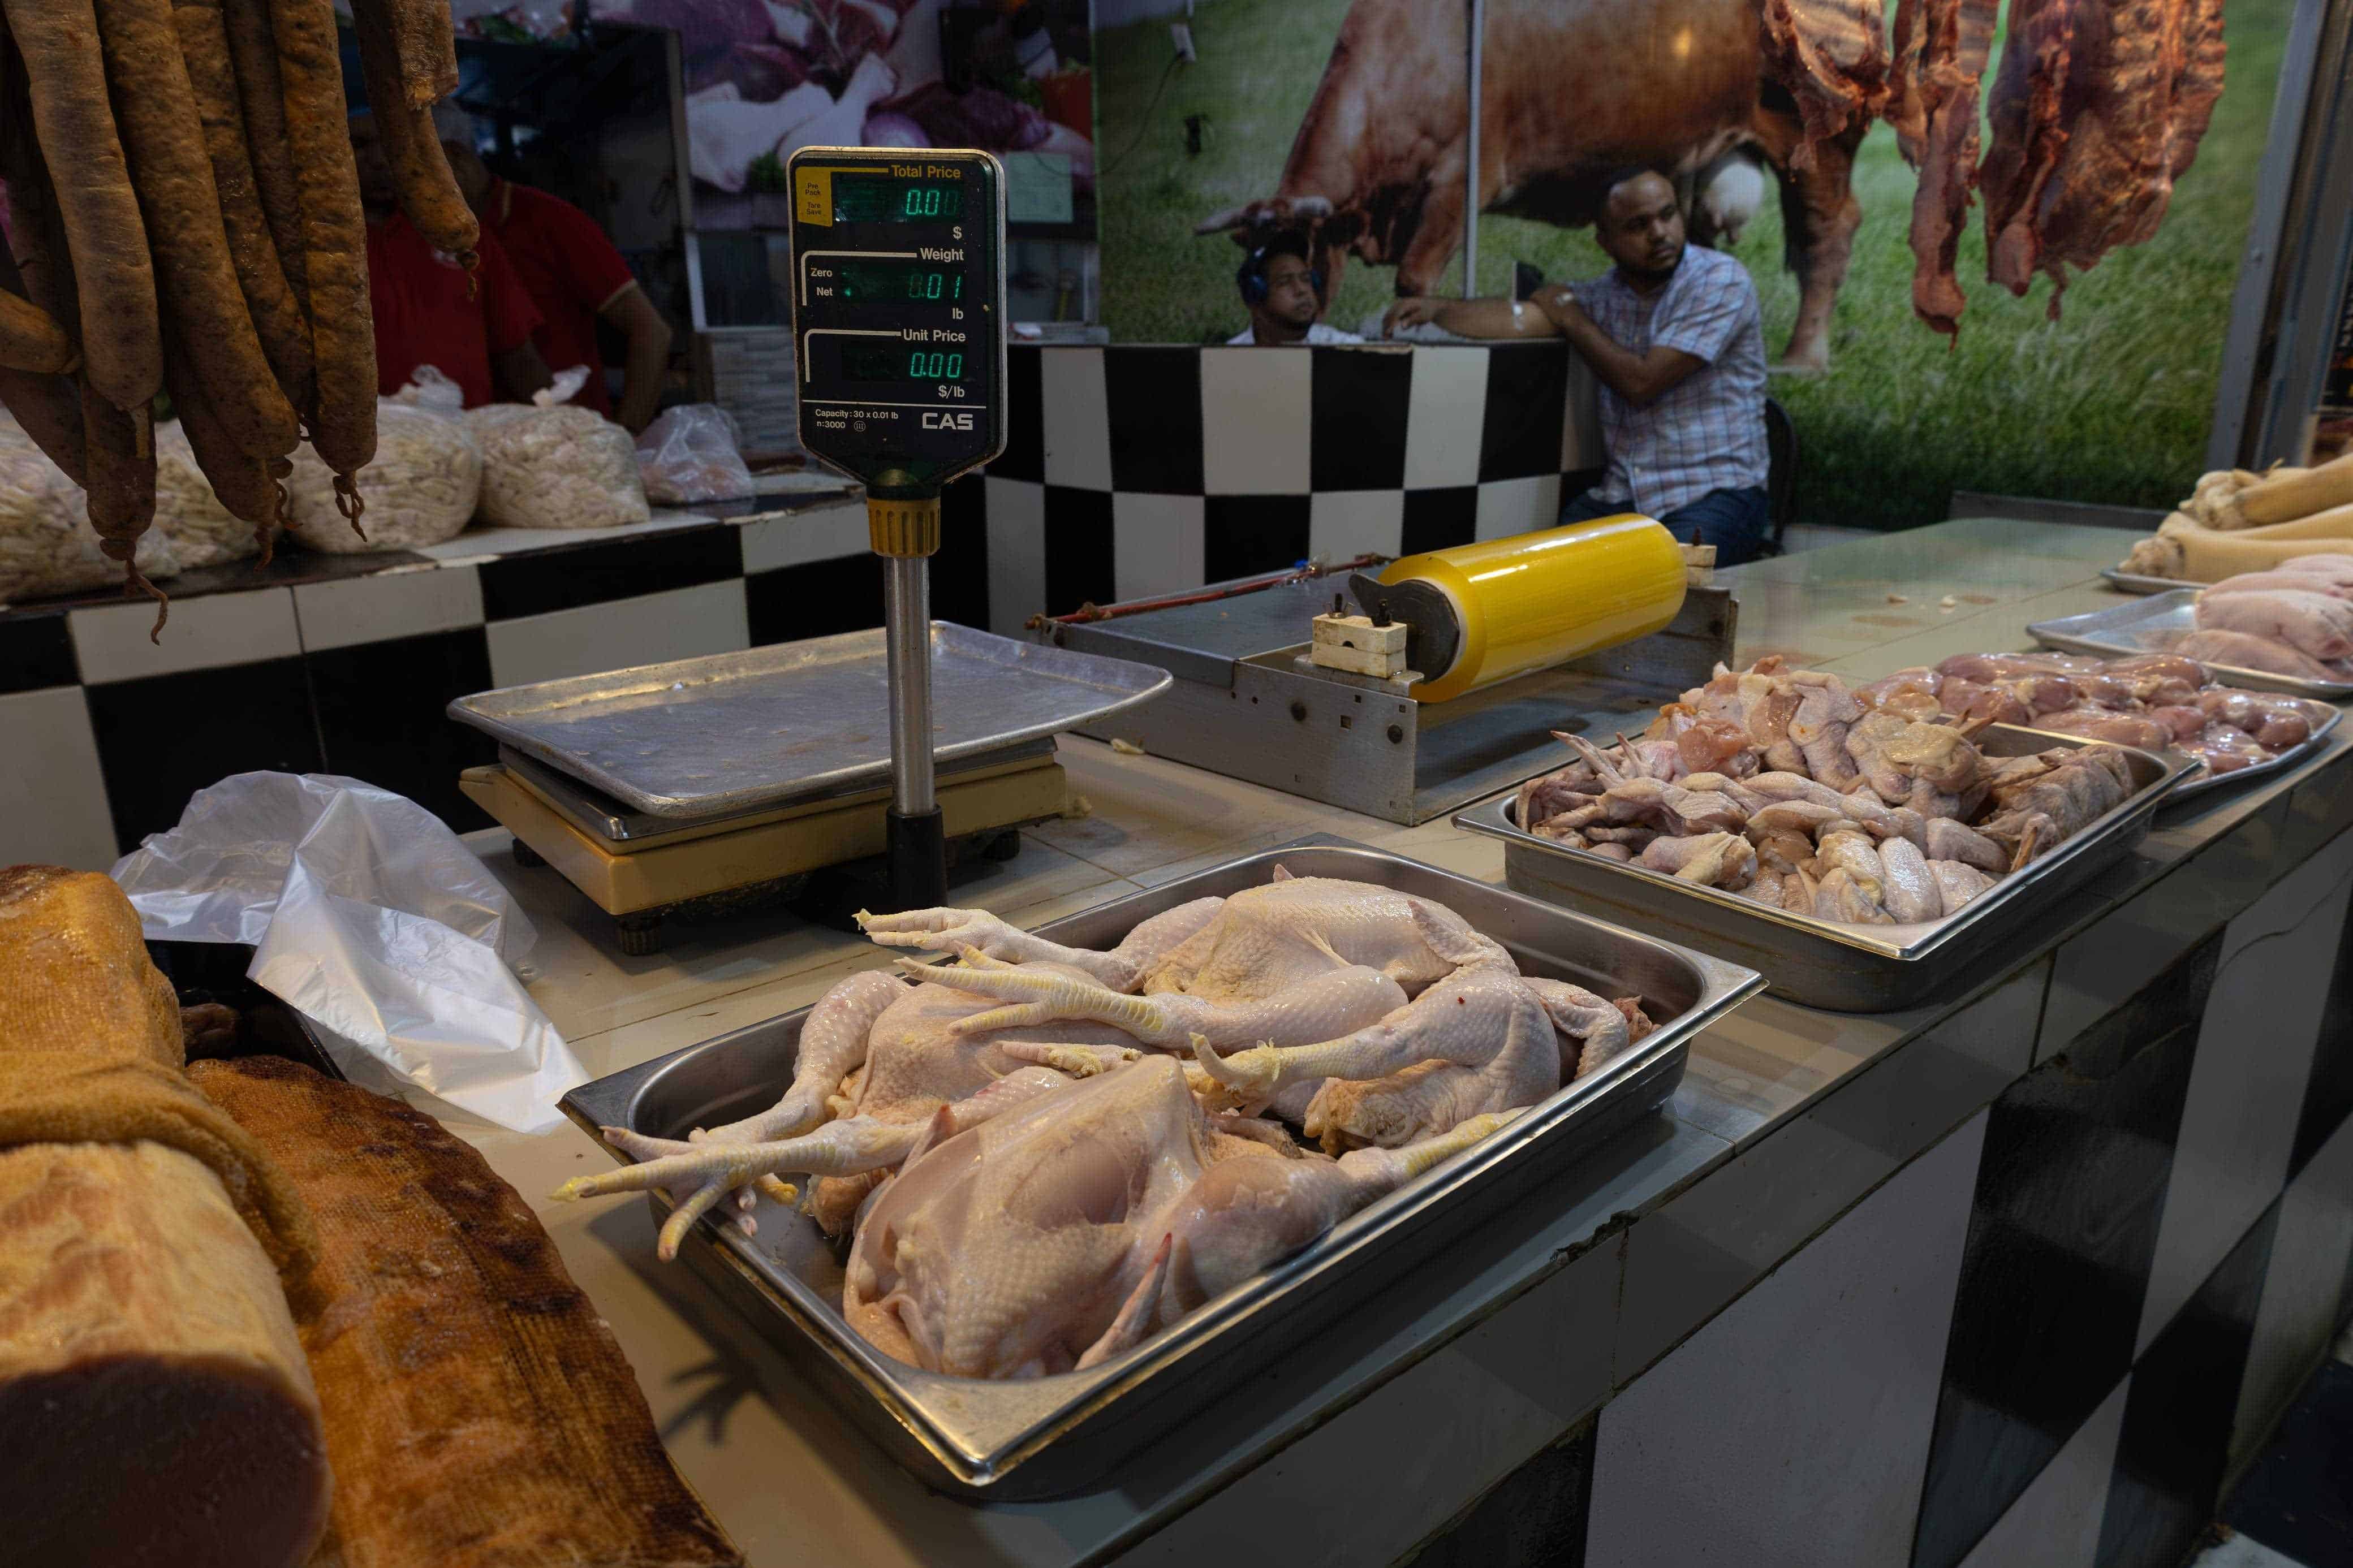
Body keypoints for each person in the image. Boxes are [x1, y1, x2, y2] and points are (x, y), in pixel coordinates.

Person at [1384, 168, 1772, 564]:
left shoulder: (1721, 281)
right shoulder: (1603, 297)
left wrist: (1571, 318)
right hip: (1624, 497)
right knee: (1547, 577)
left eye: (1668, 214)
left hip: (1717, 493)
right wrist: (1437, 309)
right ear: (1605, 241)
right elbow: (1516, 317)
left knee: (1662, 582)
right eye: (1638, 225)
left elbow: (1642, 381)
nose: (1659, 233)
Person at [442, 140, 675, 433]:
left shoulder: (550, 220)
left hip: (568, 439)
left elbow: (652, 331)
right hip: (472, 438)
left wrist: (625, 435)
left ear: (459, 156)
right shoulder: (433, 234)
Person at [351, 113, 551, 409]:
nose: (379, 160)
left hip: (461, 442)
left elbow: (517, 353)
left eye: (390, 143)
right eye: (359, 144)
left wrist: (564, 425)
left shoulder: (458, 233)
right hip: (359, 447)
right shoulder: (310, 244)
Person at [1227, 235, 1363, 346]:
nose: (1302, 290)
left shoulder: (1346, 346)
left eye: (1306, 279)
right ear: (1255, 296)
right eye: (1284, 282)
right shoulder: (1227, 360)